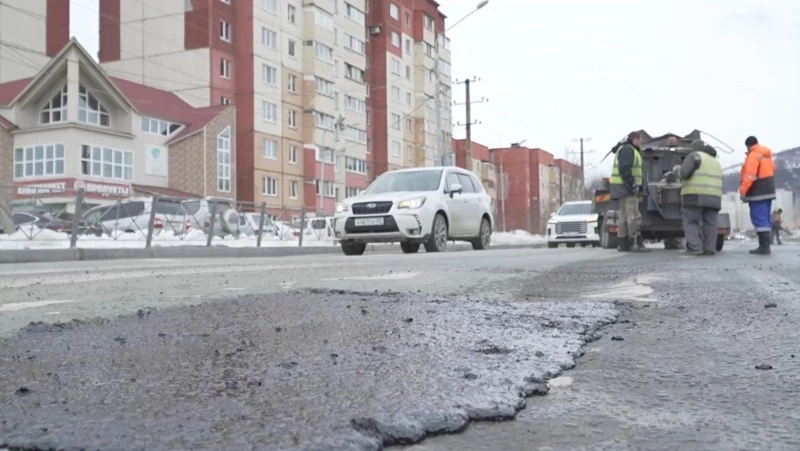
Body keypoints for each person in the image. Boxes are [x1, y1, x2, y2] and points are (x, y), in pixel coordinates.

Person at [673, 140, 723, 256]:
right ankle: (710, 248)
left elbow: (684, 174)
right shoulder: (715, 161)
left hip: (695, 195)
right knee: (710, 224)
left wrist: (676, 170)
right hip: (714, 197)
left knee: (691, 221)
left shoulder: (695, 156)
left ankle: (696, 248)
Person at [610, 131, 650, 252]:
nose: (641, 142)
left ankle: (623, 244)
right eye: (639, 139)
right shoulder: (629, 150)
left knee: (624, 216)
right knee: (633, 216)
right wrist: (633, 185)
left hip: (621, 188)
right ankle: (636, 243)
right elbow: (625, 169)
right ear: (635, 139)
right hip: (627, 188)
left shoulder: (624, 149)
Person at [739, 136, 776, 255]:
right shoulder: (767, 156)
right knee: (765, 218)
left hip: (758, 191)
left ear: (748, 146)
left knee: (759, 218)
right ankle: (765, 245)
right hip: (769, 190)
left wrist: (743, 190)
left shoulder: (753, 156)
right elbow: (772, 170)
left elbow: (750, 175)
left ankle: (764, 247)